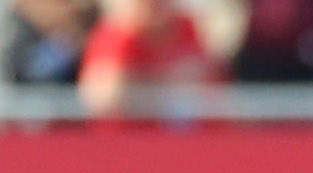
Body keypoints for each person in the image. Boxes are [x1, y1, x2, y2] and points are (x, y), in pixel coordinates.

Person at [82, 0, 219, 105]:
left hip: (189, 135)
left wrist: (141, 80)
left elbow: (200, 75)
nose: (156, 5)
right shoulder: (116, 33)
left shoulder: (186, 26)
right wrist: (163, 79)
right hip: (128, 136)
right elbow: (106, 96)